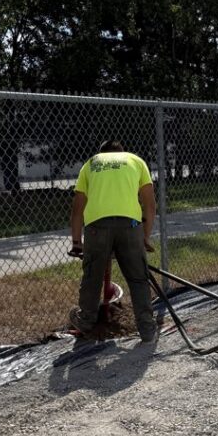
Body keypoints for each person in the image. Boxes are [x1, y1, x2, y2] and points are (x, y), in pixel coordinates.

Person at [68, 138, 158, 342]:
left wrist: (76, 242)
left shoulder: (91, 163)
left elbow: (77, 209)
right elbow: (150, 205)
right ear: (121, 151)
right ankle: (146, 328)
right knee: (138, 278)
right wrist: (144, 237)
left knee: (93, 277)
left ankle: (86, 321)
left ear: (102, 153)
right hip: (130, 226)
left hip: (96, 228)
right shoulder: (135, 161)